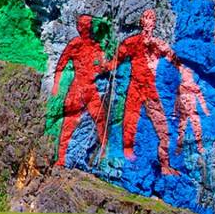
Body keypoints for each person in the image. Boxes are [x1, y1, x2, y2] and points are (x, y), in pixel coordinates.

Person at [108, 9, 181, 175]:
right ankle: (126, 153)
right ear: (141, 21)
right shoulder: (132, 42)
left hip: (150, 88)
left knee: (162, 127)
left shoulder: (158, 45)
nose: (149, 21)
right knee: (129, 120)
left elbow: (175, 60)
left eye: (152, 18)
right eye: (146, 18)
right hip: (135, 85)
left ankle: (165, 164)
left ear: (155, 23)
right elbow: (116, 60)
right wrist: (104, 67)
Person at [51, 15, 108, 166]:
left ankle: (103, 152)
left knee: (100, 118)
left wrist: (106, 65)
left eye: (88, 24)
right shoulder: (75, 44)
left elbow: (102, 67)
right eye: (83, 25)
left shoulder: (96, 46)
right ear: (79, 27)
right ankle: (62, 157)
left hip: (91, 88)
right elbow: (61, 64)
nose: (86, 27)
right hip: (77, 87)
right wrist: (56, 85)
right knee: (70, 122)